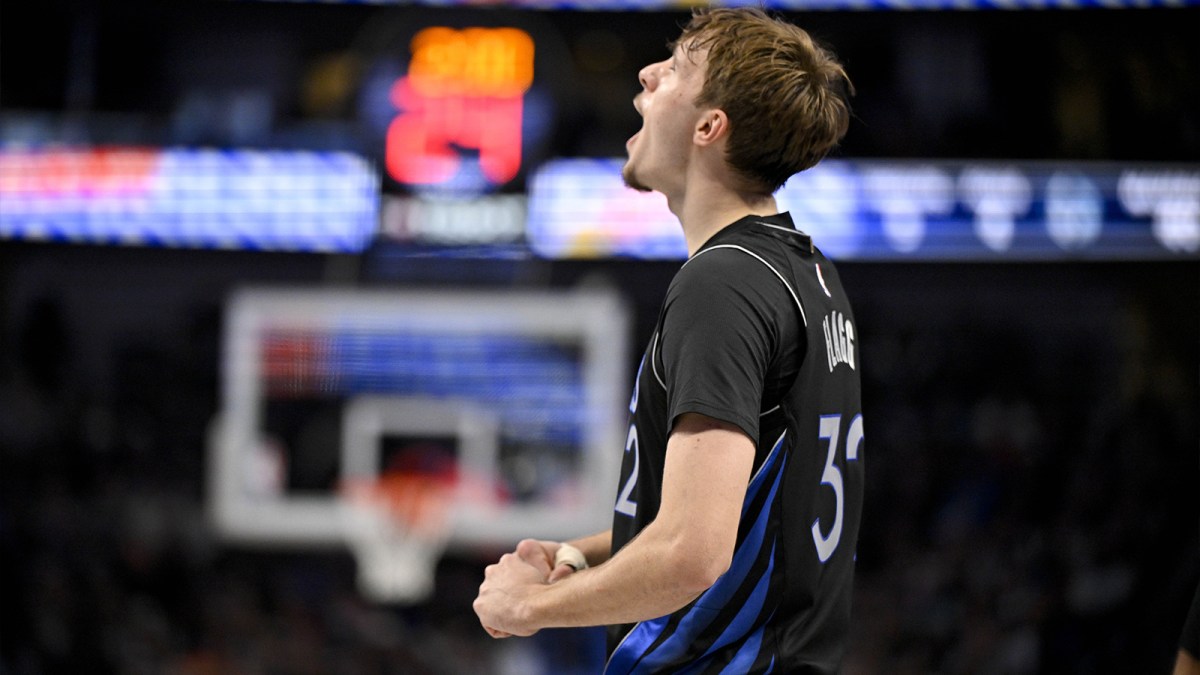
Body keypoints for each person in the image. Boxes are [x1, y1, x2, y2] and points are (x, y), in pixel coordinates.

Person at [473, 8, 863, 672]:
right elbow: (743, 516)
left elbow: (692, 551)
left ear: (711, 127)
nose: (647, 73)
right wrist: (583, 554)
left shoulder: (724, 283)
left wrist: (525, 608)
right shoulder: (806, 271)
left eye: (677, 67)